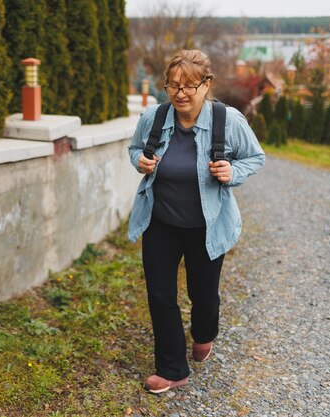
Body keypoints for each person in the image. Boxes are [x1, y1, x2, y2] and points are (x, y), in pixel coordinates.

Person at [127, 49, 265, 394]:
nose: (180, 93)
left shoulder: (227, 121)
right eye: (173, 85)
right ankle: (172, 368)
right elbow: (135, 149)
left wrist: (232, 171)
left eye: (189, 85)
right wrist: (141, 163)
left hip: (208, 224)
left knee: (203, 296)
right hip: (161, 222)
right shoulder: (154, 117)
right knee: (160, 293)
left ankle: (204, 334)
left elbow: (255, 157)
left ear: (207, 85)